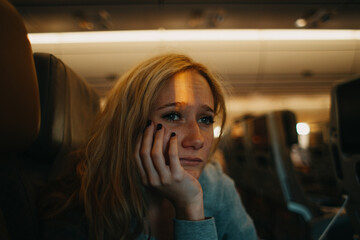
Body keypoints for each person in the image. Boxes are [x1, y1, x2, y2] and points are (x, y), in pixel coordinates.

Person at [40, 53, 257, 240]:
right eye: (173, 115)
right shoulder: (83, 199)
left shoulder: (217, 187)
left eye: (206, 119)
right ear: (130, 125)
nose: (197, 139)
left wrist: (190, 207)